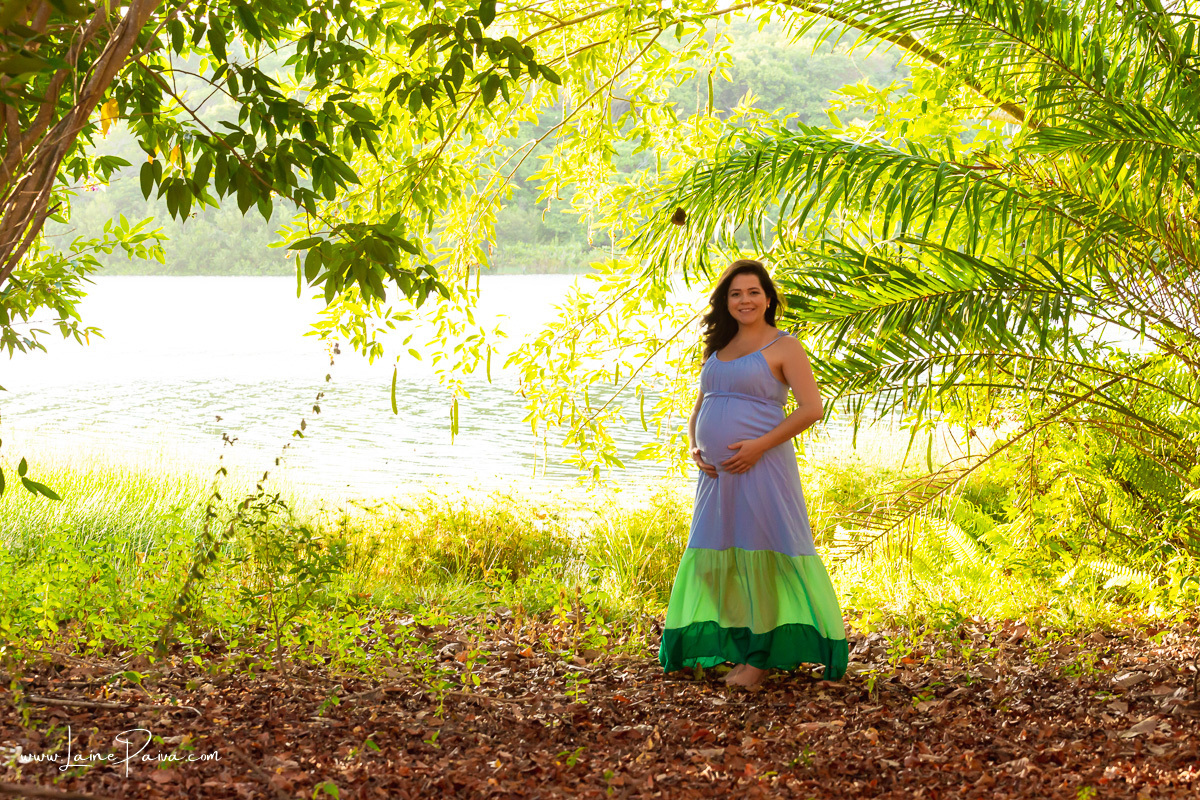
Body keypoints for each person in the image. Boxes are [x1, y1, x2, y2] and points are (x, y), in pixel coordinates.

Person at [658, 258, 849, 688]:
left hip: (762, 469)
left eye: (753, 292)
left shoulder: (785, 347)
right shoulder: (718, 349)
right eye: (736, 294)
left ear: (768, 299)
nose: (745, 300)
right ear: (726, 302)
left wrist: (759, 447)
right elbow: (701, 404)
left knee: (760, 558)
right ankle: (740, 646)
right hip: (715, 477)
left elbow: (811, 409)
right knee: (714, 561)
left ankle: (759, 661)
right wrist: (694, 446)